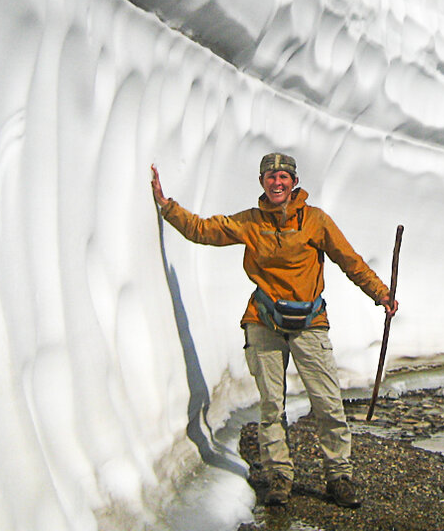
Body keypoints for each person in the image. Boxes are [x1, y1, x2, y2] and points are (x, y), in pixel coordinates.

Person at [150, 153, 397, 508]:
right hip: (263, 321)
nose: (277, 183)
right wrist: (166, 205)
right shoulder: (251, 222)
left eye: (283, 176)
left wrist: (381, 294)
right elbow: (203, 230)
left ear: (293, 181)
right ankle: (279, 476)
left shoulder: (315, 221)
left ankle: (339, 476)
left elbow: (350, 260)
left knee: (327, 402)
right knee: (271, 404)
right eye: (270, 177)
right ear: (262, 181)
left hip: (309, 323)